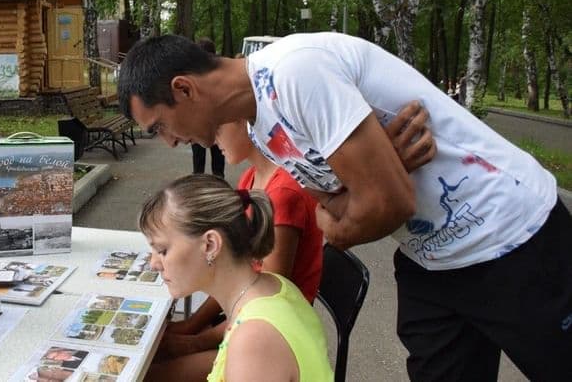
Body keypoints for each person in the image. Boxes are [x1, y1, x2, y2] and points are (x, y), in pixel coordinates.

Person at [117, 32, 571, 380]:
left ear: (184, 89)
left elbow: (384, 204)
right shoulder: (261, 129)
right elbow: (335, 205)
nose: (170, 141)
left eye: (159, 127)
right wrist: (373, 181)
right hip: (431, 260)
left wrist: (355, 207)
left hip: (513, 237)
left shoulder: (296, 73)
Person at [153, 119, 325, 380]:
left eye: (162, 250)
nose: (209, 138)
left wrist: (194, 340)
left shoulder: (254, 338)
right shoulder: (251, 180)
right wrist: (191, 327)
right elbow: (235, 276)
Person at [190, 38, 225, 178]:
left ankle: (204, 180)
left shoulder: (193, 73)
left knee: (206, 155)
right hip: (211, 121)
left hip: (203, 121)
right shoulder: (219, 72)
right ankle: (216, 180)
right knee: (214, 155)